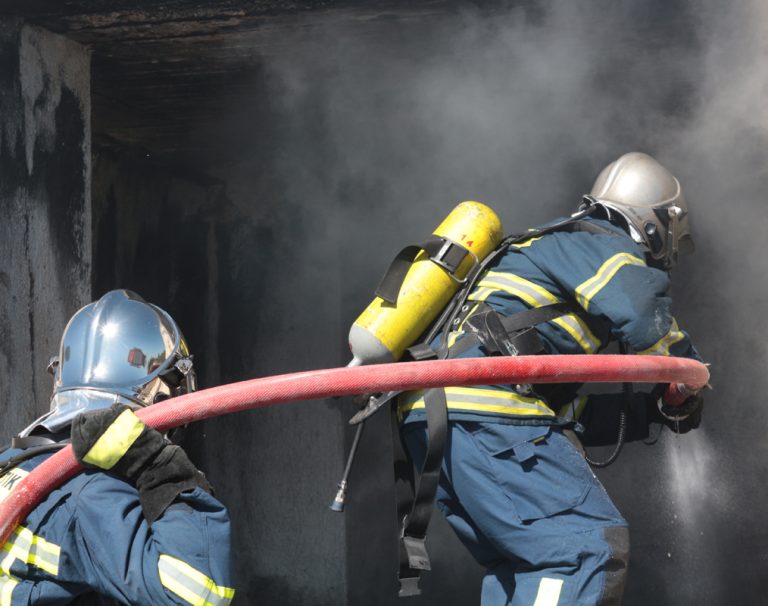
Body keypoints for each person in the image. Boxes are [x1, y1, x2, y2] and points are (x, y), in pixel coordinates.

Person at [397, 152, 704, 605]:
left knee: (526, 564)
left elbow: (562, 412)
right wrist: (690, 373)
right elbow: (646, 318)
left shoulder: (546, 252)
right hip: (486, 408)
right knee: (582, 547)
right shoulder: (602, 245)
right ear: (657, 224)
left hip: (437, 418)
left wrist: (652, 412)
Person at [0, 289, 235, 605]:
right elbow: (199, 594)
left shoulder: (13, 462)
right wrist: (162, 469)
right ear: (161, 395)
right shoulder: (94, 494)